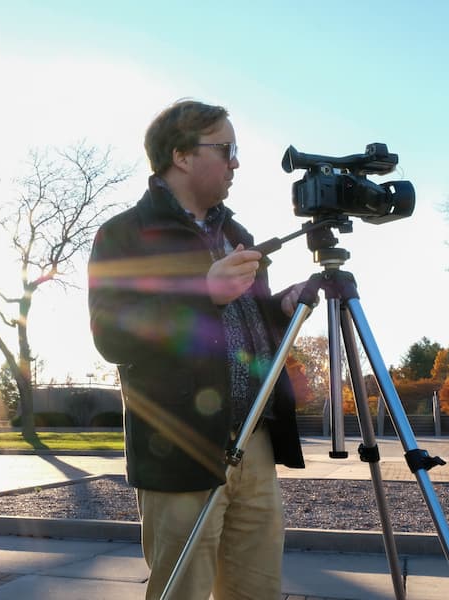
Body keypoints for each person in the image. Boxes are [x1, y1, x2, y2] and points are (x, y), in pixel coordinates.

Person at [88, 99, 307, 600]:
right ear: (182, 155)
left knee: (257, 592)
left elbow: (241, 328)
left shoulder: (236, 234)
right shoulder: (124, 234)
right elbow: (110, 335)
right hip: (180, 448)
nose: (236, 162)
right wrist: (200, 292)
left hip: (255, 442)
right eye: (226, 148)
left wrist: (281, 309)